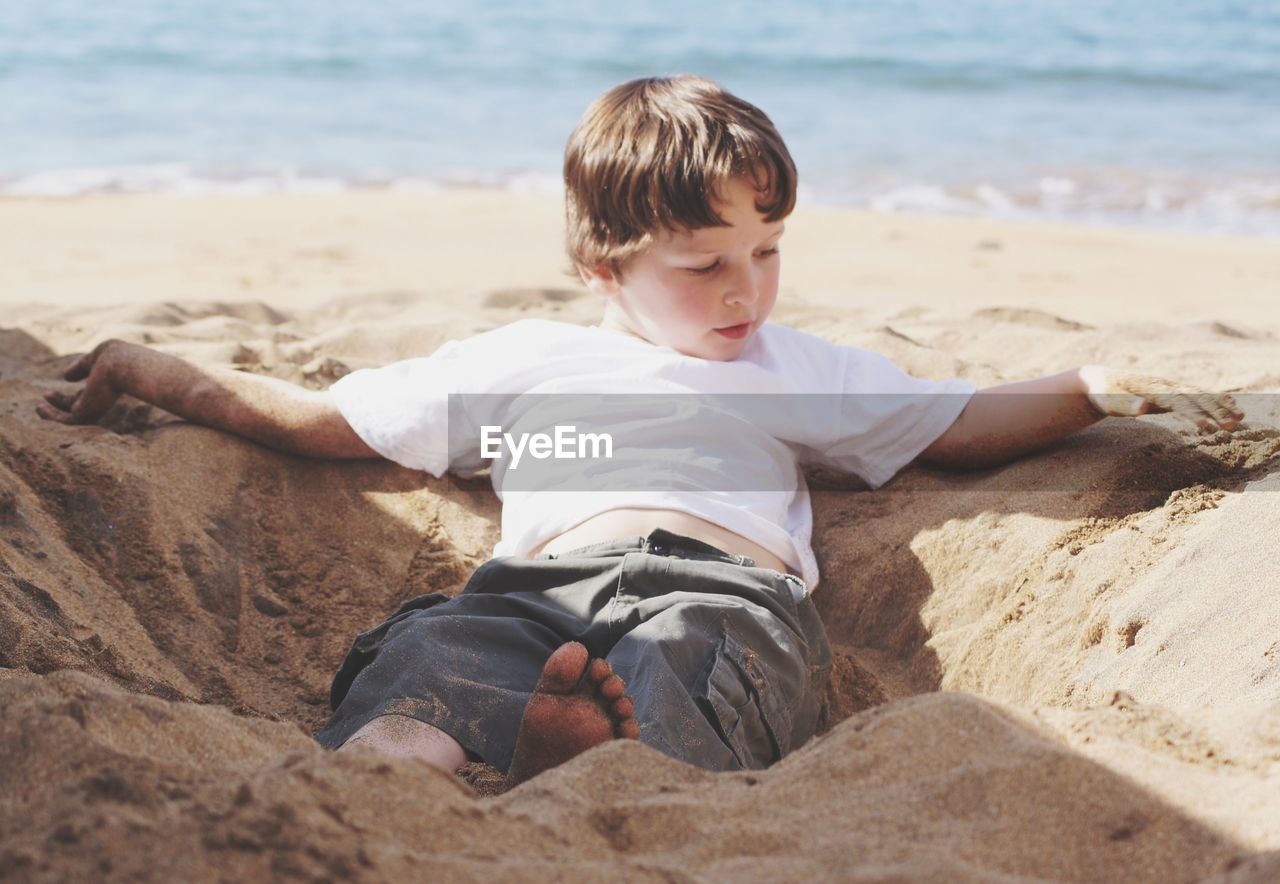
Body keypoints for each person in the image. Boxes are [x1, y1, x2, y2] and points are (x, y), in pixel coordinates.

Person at [36, 75, 1243, 788]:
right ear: (596, 263)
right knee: (430, 650)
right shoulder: (521, 361)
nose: (745, 291)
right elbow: (322, 422)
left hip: (711, 577)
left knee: (700, 653)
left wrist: (1091, 383)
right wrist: (162, 371)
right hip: (530, 580)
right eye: (704, 263)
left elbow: (953, 424)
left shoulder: (790, 370)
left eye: (766, 253)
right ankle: (409, 754)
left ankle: (608, 755)